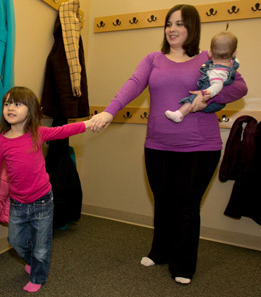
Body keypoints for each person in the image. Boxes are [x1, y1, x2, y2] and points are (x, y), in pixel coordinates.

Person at [90, 4, 247, 285]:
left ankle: (183, 264)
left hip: (200, 147)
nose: (172, 29)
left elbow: (239, 87)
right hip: (158, 145)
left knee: (186, 204)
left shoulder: (207, 59)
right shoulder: (153, 59)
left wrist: (207, 98)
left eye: (180, 24)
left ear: (192, 28)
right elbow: (134, 83)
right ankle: (160, 251)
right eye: (168, 24)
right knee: (162, 201)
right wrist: (109, 111)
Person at [0, 86, 94, 293]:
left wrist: (89, 123)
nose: (10, 108)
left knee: (42, 248)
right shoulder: (1, 141)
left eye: (17, 103)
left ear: (30, 109)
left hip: (42, 202)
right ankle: (34, 261)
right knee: (15, 241)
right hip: (17, 204)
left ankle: (38, 275)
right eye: (7, 103)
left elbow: (64, 131)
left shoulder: (37, 133)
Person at [165, 31, 239, 122]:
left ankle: (179, 114)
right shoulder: (232, 64)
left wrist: (206, 94)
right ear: (234, 53)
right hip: (217, 102)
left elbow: (217, 85)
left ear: (210, 52)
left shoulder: (217, 72)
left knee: (193, 98)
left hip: (211, 102)